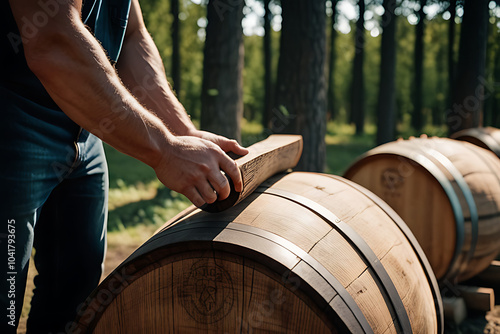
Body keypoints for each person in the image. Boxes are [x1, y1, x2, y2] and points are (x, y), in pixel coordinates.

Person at [1, 0, 248, 332]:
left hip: (85, 133)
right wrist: (165, 151)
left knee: (76, 289)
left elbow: (131, 36)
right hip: (14, 121)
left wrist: (180, 132)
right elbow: (53, 41)